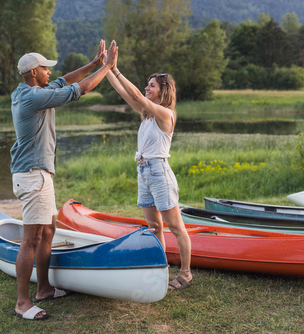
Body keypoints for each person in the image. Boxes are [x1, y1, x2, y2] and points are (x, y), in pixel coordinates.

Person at [11, 40, 118, 321]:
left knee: (48, 231)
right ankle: (23, 303)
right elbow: (79, 89)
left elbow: (63, 81)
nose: (49, 72)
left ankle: (44, 288)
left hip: (39, 174)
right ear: (34, 72)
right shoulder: (33, 97)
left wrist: (94, 63)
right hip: (33, 175)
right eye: (45, 68)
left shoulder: (30, 90)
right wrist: (107, 68)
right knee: (31, 238)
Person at [106, 63, 193, 291]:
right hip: (143, 172)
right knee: (155, 227)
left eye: (151, 85)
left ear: (163, 90)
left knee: (175, 227)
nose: (146, 88)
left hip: (159, 173)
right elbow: (125, 93)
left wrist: (116, 69)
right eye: (147, 84)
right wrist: (106, 68)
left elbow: (134, 93)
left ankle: (185, 274)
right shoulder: (146, 114)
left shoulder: (165, 114)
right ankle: (160, 270)